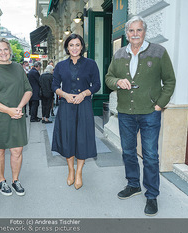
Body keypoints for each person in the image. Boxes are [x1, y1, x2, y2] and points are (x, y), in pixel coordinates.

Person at [105, 16, 176, 216]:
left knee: (151, 155)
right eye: (131, 31)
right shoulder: (119, 54)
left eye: (139, 30)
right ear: (126, 33)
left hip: (150, 114)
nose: (135, 34)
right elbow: (108, 78)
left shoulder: (158, 52)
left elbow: (169, 80)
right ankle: (133, 185)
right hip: (126, 112)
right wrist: (118, 81)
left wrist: (160, 104)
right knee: (128, 151)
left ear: (145, 31)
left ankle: (152, 195)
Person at [0, 37, 32, 196]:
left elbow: (28, 90)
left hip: (16, 115)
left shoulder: (18, 68)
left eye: (5, 49)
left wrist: (18, 107)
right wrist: (8, 110)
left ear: (10, 51)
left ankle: (15, 180)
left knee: (17, 150)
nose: (3, 52)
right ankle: (1, 181)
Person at [51, 34, 101, 190]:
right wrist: (65, 95)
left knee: (82, 139)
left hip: (84, 105)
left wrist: (84, 93)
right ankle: (70, 170)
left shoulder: (91, 64)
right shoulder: (60, 66)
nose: (74, 48)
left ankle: (79, 172)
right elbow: (54, 86)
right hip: (66, 106)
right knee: (67, 138)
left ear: (82, 47)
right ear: (67, 47)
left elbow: (97, 84)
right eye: (71, 45)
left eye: (77, 45)